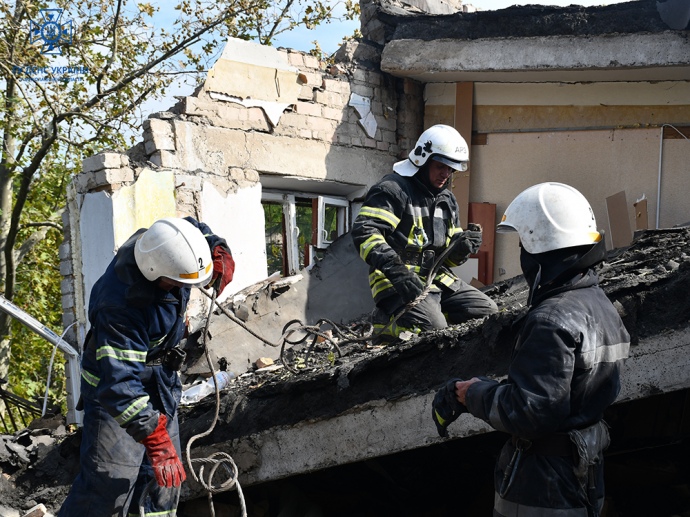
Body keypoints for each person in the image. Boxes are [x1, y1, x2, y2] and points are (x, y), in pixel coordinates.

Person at [432, 182, 630, 517]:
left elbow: (530, 413)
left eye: (524, 244)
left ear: (541, 252)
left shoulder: (551, 320)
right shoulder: (600, 304)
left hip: (544, 488)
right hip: (586, 473)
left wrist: (473, 393)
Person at [58, 217, 235, 517]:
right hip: (114, 392)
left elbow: (192, 230)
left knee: (163, 484)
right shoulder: (119, 304)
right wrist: (155, 438)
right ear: (155, 273)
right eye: (178, 283)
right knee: (109, 488)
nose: (183, 289)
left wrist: (217, 250)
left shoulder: (164, 243)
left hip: (159, 380)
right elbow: (120, 385)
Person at [351, 124, 497, 342]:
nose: (446, 174)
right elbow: (364, 232)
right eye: (440, 166)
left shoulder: (447, 200)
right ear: (422, 160)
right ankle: (386, 323)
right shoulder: (392, 189)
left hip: (436, 280)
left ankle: (432, 317)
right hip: (395, 282)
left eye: (451, 169)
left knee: (487, 313)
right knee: (434, 331)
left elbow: (449, 260)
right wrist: (398, 272)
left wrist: (462, 247)